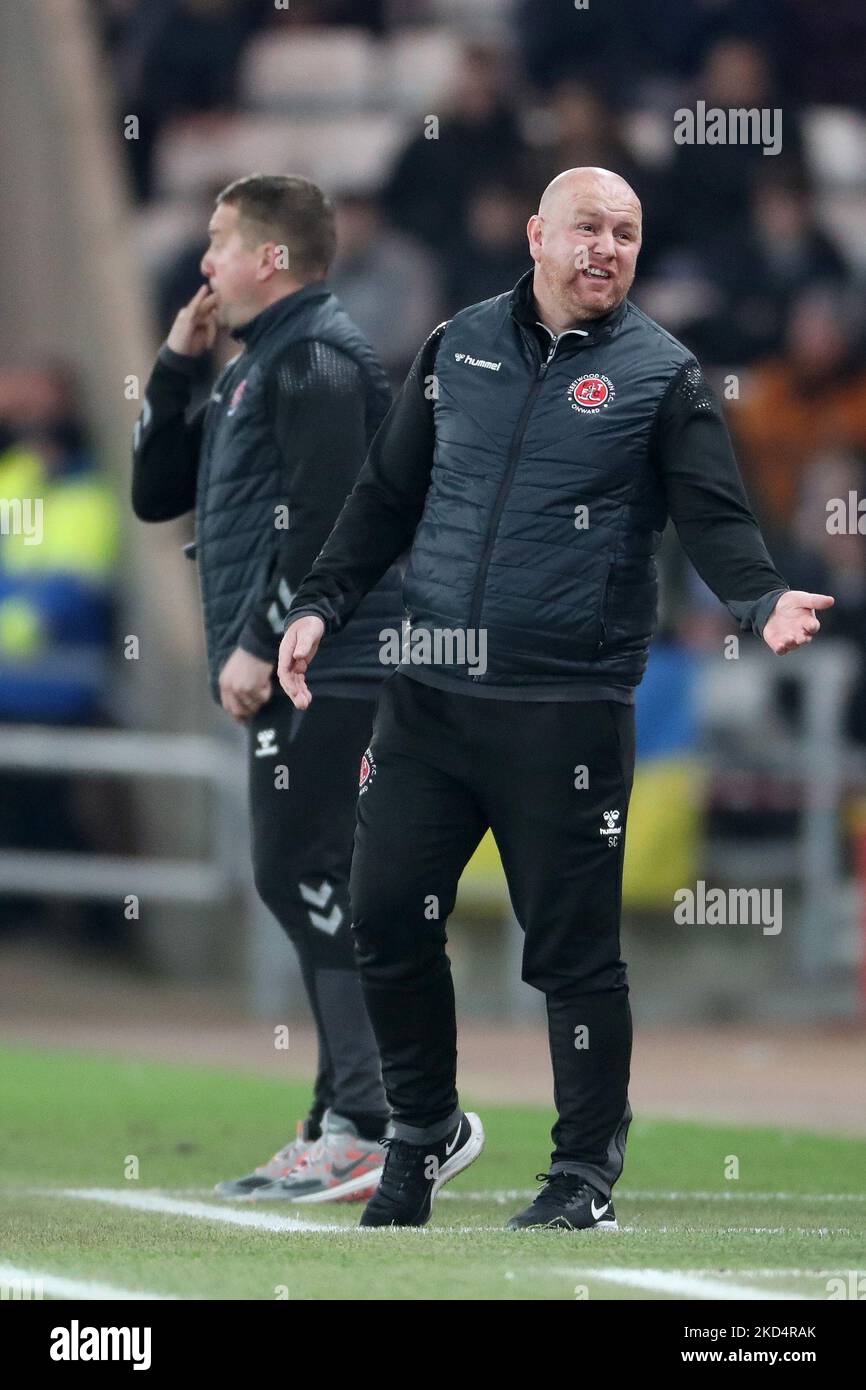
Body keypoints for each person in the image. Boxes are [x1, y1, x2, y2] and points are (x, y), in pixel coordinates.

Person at [276, 166, 834, 1231]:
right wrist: (319, 602)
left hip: (566, 710)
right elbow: (386, 495)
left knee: (571, 957)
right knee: (385, 917)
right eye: (587, 227)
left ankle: (581, 1174)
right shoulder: (455, 347)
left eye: (625, 233)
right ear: (536, 233)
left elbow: (713, 515)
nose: (606, 248)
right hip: (429, 697)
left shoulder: (662, 375)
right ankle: (422, 1130)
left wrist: (758, 597)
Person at [132, 174, 400, 1203]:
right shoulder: (258, 367)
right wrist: (173, 365)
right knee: (301, 876)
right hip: (306, 663)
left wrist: (255, 641)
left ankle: (369, 1119)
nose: (203, 261)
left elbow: (325, 516)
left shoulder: (318, 360)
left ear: (269, 259)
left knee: (308, 871)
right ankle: (343, 1115)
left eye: (218, 241)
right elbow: (158, 492)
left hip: (334, 663)